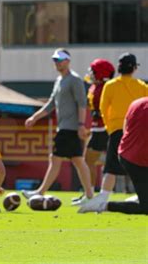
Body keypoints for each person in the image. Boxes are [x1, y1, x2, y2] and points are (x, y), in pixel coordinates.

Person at [79, 53, 148, 213]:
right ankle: (104, 198)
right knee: (114, 164)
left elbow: (104, 108)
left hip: (120, 129)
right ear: (134, 68)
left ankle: (104, 196)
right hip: (139, 131)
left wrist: (111, 128)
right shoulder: (142, 86)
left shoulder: (111, 85)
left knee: (112, 165)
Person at [23, 48, 94, 202]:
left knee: (57, 159)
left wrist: (81, 124)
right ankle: (89, 196)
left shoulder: (74, 79)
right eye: (55, 60)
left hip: (71, 128)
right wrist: (34, 117)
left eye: (60, 60)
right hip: (64, 127)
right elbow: (50, 105)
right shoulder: (59, 80)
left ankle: (40, 192)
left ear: (68, 61)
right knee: (77, 160)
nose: (57, 63)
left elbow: (82, 104)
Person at [77, 59, 115, 199]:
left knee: (88, 161)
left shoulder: (106, 87)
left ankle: (90, 194)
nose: (91, 73)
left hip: (103, 128)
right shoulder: (96, 86)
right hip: (98, 127)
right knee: (89, 160)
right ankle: (90, 193)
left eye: (94, 71)